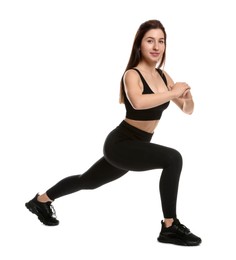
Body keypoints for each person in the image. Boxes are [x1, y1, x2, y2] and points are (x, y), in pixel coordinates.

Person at [25, 19, 201, 246]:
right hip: (121, 143)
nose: (156, 46)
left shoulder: (165, 77)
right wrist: (172, 93)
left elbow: (188, 111)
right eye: (150, 41)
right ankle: (169, 227)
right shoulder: (132, 74)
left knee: (87, 181)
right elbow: (138, 103)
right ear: (139, 44)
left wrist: (187, 98)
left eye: (161, 41)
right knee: (173, 158)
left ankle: (40, 201)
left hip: (138, 146)